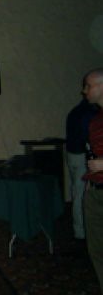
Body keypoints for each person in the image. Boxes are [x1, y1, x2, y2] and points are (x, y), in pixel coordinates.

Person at [65, 81, 98, 240]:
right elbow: (88, 139)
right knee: (81, 194)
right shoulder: (89, 113)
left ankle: (79, 231)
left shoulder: (76, 111)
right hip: (81, 156)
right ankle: (81, 233)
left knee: (77, 192)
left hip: (73, 155)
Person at [83, 68, 103, 295]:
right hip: (95, 192)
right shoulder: (96, 120)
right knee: (97, 251)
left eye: (89, 86)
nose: (84, 90)